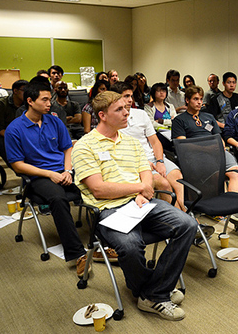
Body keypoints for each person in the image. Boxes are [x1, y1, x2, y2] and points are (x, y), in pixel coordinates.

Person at [72, 91, 196, 321]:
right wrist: (138, 189)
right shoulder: (84, 146)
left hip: (140, 202)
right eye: (119, 109)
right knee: (130, 245)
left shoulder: (129, 141)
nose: (127, 111)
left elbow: (145, 173)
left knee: (187, 224)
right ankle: (157, 292)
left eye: (126, 107)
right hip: (108, 210)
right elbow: (98, 188)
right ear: (102, 115)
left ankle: (153, 293)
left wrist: (144, 190)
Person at [5, 82, 116, 277]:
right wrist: (50, 174)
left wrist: (67, 170)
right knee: (58, 198)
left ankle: (104, 244)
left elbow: (68, 148)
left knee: (97, 188)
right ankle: (78, 254)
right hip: (39, 177)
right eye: (45, 100)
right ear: (30, 101)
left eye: (50, 99)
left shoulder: (54, 121)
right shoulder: (15, 129)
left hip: (64, 172)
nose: (50, 103)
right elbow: (17, 165)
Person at [111, 82, 185, 210]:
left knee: (178, 178)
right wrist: (145, 163)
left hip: (154, 158)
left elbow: (155, 141)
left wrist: (160, 161)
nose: (130, 100)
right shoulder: (112, 119)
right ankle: (185, 219)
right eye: (126, 96)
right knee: (164, 184)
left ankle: (184, 211)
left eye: (131, 96)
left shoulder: (140, 114)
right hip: (136, 162)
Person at [171, 86, 238, 193]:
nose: (199, 102)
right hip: (196, 154)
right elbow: (183, 146)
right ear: (187, 100)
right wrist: (207, 149)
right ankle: (221, 204)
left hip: (216, 151)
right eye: (196, 99)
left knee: (236, 172)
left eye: (201, 99)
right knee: (217, 176)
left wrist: (220, 146)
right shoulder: (179, 120)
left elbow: (219, 138)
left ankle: (232, 207)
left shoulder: (209, 117)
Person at [0, 79, 28, 165]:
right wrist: (14, 136)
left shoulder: (27, 104)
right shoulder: (0, 105)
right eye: (24, 91)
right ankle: (17, 167)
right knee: (5, 143)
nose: (27, 94)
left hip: (18, 133)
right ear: (15, 91)